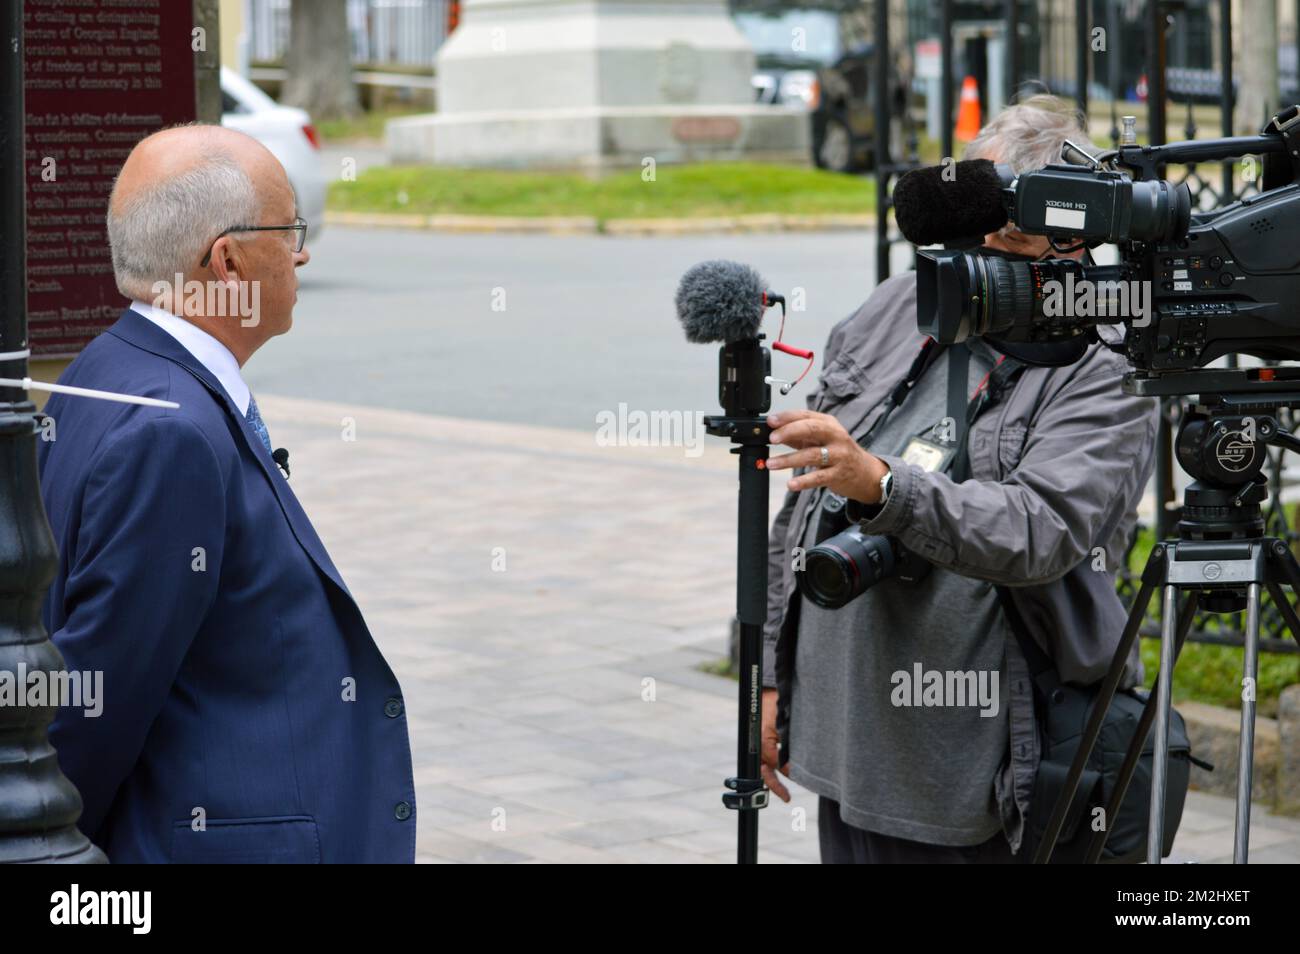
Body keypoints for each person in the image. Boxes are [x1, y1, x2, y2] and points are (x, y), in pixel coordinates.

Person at [760, 95, 1157, 862]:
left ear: (1071, 234)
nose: (975, 243)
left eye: (1005, 227)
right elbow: (798, 517)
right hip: (848, 751)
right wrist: (770, 683)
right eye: (972, 210)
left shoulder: (1107, 367)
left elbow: (1040, 530)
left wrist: (882, 486)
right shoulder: (898, 307)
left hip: (981, 777)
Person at [38, 124, 415, 863]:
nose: (303, 252)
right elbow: (97, 700)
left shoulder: (106, 365)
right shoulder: (170, 434)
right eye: (290, 229)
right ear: (229, 259)